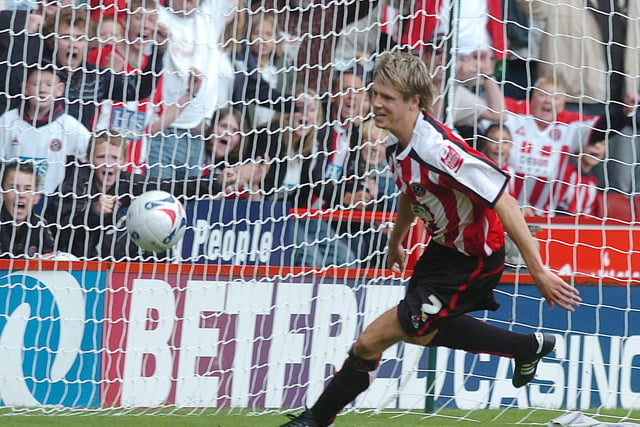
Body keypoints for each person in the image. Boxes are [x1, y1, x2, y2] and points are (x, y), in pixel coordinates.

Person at [280, 51, 581, 427]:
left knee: (370, 341)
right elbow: (412, 190)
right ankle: (527, 347)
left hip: (474, 257)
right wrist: (396, 239)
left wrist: (537, 271)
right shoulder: (398, 144)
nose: (376, 103)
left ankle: (314, 420)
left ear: (414, 102)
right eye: (375, 94)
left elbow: (503, 198)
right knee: (420, 334)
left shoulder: (439, 150)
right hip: (442, 251)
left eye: (387, 98)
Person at [516, 0, 640, 193]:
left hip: (622, 105)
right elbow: (533, 7)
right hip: (573, 101)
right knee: (570, 181)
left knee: (620, 186)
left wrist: (634, 86)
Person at [44, 131, 223, 260]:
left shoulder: (127, 182)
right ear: (89, 160)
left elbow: (173, 187)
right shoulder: (75, 181)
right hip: (68, 257)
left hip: (106, 260)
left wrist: (217, 182)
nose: (108, 164)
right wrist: (94, 211)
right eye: (101, 157)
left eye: (114, 158)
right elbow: (62, 225)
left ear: (124, 162)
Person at [503, 76, 633, 217]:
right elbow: (489, 111)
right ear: (532, 98)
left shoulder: (570, 124)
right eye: (542, 95)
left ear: (562, 104)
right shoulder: (513, 112)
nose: (548, 100)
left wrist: (625, 112)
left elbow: (600, 129)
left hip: (544, 216)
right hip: (505, 208)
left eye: (555, 97)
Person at [147, 0, 234, 180]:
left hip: (198, 139)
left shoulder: (209, 17)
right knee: (158, 200)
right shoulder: (157, 15)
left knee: (189, 206)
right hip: (161, 134)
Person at [89, 0, 159, 174]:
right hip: (96, 162)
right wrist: (108, 75)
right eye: (139, 18)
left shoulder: (153, 70)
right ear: (125, 21)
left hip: (132, 168)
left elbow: (153, 123)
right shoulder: (100, 56)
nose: (145, 25)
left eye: (151, 19)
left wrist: (189, 95)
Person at [0, 63, 90, 194]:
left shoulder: (69, 126)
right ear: (25, 88)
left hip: (51, 201)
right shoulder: (8, 121)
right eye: (36, 84)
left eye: (49, 85)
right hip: (13, 198)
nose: (42, 90)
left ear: (59, 89)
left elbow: (91, 157)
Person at [0, 160, 56, 258]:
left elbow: (49, 256)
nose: (21, 194)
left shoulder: (40, 224)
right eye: (14, 188)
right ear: (2, 193)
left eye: (27, 189)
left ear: (37, 197)